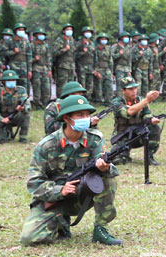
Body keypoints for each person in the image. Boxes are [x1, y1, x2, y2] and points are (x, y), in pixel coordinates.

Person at [19, 94, 121, 246]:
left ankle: (101, 229)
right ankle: (61, 222)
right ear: (66, 118)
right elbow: (34, 183)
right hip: (54, 197)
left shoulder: (95, 139)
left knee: (107, 177)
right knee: (29, 239)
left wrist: (105, 168)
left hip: (82, 194)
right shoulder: (47, 145)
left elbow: (110, 169)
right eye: (80, 115)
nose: (85, 118)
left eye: (87, 114)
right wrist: (60, 190)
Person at [110, 77, 163, 166]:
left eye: (135, 88)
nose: (134, 91)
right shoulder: (116, 102)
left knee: (155, 128)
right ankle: (124, 155)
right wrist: (146, 100)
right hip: (123, 136)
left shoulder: (140, 100)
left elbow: (146, 115)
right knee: (119, 160)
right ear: (123, 91)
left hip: (139, 135)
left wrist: (151, 120)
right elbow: (129, 112)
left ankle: (149, 157)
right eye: (130, 89)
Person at [0, 69, 30, 144]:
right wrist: (2, 119)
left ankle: (23, 137)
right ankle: (7, 131)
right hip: (2, 119)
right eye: (9, 80)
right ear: (4, 81)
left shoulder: (21, 90)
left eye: (13, 80)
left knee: (25, 114)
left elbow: (27, 105)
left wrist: (23, 109)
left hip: (15, 117)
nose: (12, 81)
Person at [4, 23, 33, 94]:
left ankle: (24, 100)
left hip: (24, 68)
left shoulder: (26, 42)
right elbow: (4, 53)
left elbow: (29, 56)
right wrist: (13, 52)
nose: (21, 31)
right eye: (20, 30)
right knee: (13, 87)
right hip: (13, 67)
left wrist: (29, 70)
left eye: (23, 30)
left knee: (25, 87)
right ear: (15, 31)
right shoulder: (9, 41)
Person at [30, 28, 52, 109]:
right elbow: (28, 59)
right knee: (37, 88)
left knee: (46, 88)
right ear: (36, 35)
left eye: (42, 34)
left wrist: (49, 69)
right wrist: (34, 59)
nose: (41, 36)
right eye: (40, 34)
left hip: (45, 69)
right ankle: (38, 106)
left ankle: (45, 104)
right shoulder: (32, 45)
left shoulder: (45, 46)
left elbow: (48, 58)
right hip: (35, 69)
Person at [51, 23, 77, 91]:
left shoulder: (72, 41)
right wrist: (64, 49)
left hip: (71, 67)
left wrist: (75, 68)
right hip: (62, 67)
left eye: (71, 30)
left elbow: (74, 55)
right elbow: (54, 53)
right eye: (68, 29)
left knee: (71, 86)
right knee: (62, 86)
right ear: (63, 31)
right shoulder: (59, 40)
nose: (70, 31)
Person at [75, 26, 96, 99]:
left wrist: (95, 68)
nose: (88, 33)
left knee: (90, 85)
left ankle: (88, 99)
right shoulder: (79, 43)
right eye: (87, 32)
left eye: (89, 32)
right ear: (83, 33)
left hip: (90, 68)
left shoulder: (92, 43)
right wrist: (83, 52)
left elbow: (95, 56)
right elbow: (74, 55)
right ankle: (81, 99)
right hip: (82, 67)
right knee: (82, 85)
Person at [94, 33, 114, 104]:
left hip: (107, 69)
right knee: (99, 87)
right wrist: (96, 71)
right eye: (102, 39)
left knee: (109, 86)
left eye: (105, 39)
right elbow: (94, 60)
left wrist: (112, 72)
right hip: (99, 69)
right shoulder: (96, 49)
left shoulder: (108, 48)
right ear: (99, 40)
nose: (104, 40)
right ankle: (99, 101)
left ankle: (108, 101)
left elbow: (111, 61)